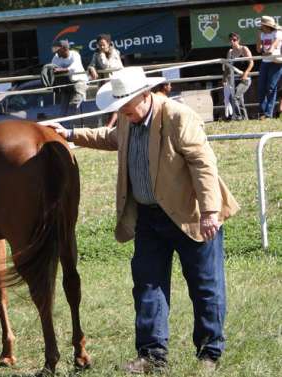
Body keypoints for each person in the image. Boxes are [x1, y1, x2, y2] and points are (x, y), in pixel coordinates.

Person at [47, 67, 239, 373]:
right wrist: (70, 134)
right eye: (119, 106)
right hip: (149, 217)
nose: (122, 111)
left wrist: (210, 213)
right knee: (147, 285)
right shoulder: (127, 117)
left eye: (126, 105)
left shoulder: (178, 116)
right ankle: (151, 355)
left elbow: (204, 164)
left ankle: (209, 353)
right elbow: (111, 137)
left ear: (145, 95)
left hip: (192, 215)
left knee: (206, 286)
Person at [87, 34, 124, 128]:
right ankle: (110, 126)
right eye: (99, 45)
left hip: (116, 83)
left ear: (108, 43)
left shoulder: (115, 52)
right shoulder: (96, 54)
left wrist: (102, 55)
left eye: (103, 44)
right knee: (107, 105)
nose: (101, 47)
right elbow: (91, 64)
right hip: (104, 84)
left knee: (116, 104)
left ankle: (109, 126)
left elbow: (107, 66)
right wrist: (92, 68)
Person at [50, 39, 88, 121]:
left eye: (58, 50)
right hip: (66, 84)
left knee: (74, 106)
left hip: (79, 82)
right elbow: (52, 67)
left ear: (65, 49)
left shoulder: (75, 54)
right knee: (63, 108)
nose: (56, 52)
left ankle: (73, 128)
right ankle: (62, 126)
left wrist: (61, 70)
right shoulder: (56, 57)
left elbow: (73, 67)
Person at [223, 32, 254, 121]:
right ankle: (244, 118)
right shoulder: (230, 52)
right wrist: (224, 77)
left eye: (234, 40)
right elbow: (227, 67)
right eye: (231, 40)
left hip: (245, 79)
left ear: (238, 40)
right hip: (234, 79)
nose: (232, 41)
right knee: (239, 98)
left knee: (235, 96)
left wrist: (245, 73)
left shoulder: (244, 49)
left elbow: (251, 63)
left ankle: (240, 117)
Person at [256, 15, 282, 119]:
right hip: (265, 62)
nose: (261, 27)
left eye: (262, 25)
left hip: (276, 62)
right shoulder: (261, 34)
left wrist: (268, 51)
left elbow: (274, 45)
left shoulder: (278, 32)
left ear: (267, 25)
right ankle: (262, 113)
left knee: (271, 87)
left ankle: (268, 114)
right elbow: (258, 49)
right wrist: (258, 38)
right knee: (261, 87)